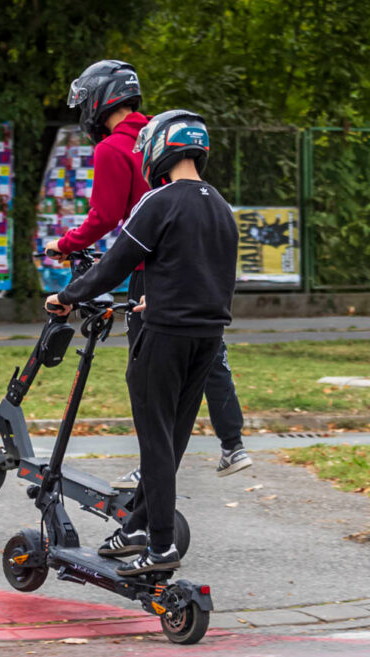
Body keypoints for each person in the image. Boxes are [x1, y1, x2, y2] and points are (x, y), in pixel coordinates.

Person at [44, 110, 238, 575]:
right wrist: (164, 297)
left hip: (164, 337)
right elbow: (212, 276)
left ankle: (160, 547)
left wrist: (66, 297)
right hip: (208, 337)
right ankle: (136, 527)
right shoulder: (223, 208)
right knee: (172, 439)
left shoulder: (158, 201)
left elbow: (114, 265)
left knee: (154, 440)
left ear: (159, 149)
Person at [51, 61, 251, 485]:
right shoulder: (160, 137)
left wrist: (65, 244)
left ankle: (154, 469)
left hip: (150, 269)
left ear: (101, 100)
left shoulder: (112, 148)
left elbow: (104, 217)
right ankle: (232, 444)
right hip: (197, 264)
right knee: (208, 353)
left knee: (149, 381)